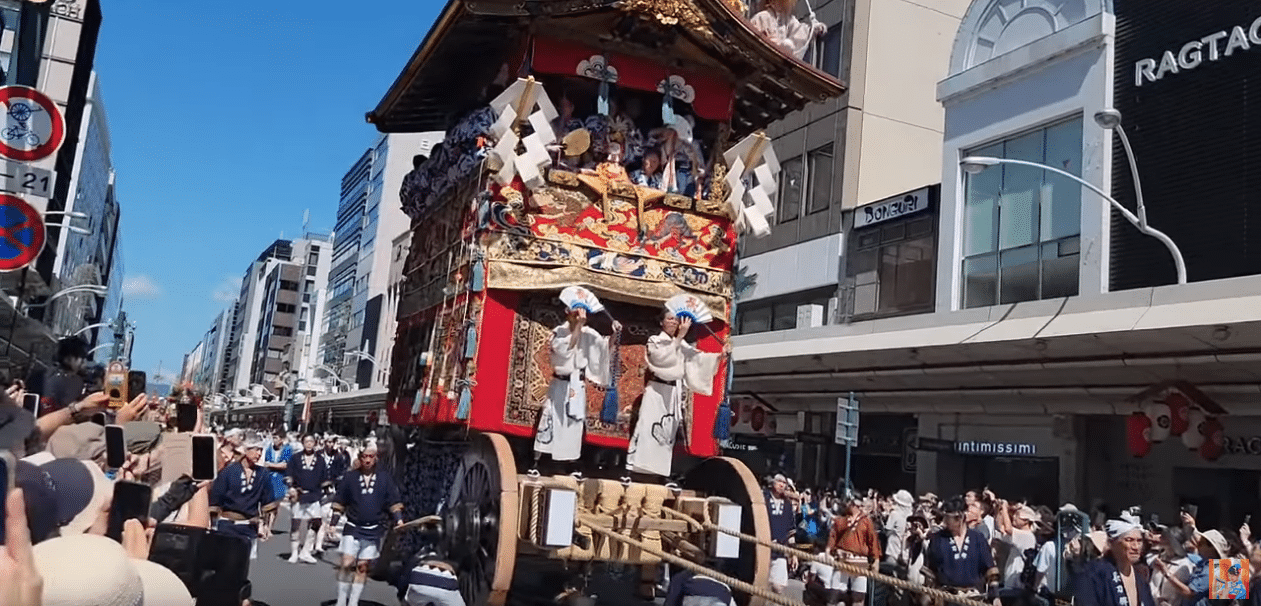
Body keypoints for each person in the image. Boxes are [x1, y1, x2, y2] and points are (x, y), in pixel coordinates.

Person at [625, 309, 728, 479]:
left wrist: (719, 355)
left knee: (666, 434)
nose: (673, 322)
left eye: (676, 319)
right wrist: (680, 337)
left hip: (672, 391)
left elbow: (697, 359)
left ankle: (660, 473)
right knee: (646, 427)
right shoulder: (655, 340)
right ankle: (632, 468)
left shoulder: (682, 345)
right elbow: (661, 359)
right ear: (662, 322)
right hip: (656, 390)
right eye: (670, 319)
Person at [532, 305, 620, 475]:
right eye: (575, 310)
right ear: (567, 312)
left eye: (581, 310)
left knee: (574, 423)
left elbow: (603, 348)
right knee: (551, 419)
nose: (578, 314)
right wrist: (579, 326)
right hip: (560, 383)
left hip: (577, 385)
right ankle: (539, 460)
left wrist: (615, 334)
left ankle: (571, 463)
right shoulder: (558, 332)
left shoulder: (589, 333)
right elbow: (565, 350)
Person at [331, 443, 404, 606]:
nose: (368, 460)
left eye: (371, 456)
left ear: (376, 458)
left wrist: (398, 519)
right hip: (353, 526)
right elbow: (340, 501)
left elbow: (393, 501)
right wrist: (332, 523)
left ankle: (354, 601)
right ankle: (341, 599)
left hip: (373, 529)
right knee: (346, 563)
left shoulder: (385, 479)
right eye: (365, 456)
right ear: (360, 457)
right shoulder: (350, 478)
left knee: (363, 567)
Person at [209, 437, 279, 561]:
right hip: (227, 526)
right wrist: (212, 524)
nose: (259, 454)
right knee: (224, 563)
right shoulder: (228, 471)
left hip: (249, 527)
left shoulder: (263, 474)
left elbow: (267, 502)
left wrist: (266, 526)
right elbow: (216, 498)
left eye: (261, 450)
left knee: (242, 566)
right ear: (246, 450)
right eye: (256, 449)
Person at [924, 496, 1000, 606]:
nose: (945, 522)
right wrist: (927, 595)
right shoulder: (937, 539)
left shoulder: (978, 539)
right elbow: (930, 570)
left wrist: (995, 596)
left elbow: (990, 569)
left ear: (960, 518)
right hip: (945, 598)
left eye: (948, 518)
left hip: (973, 598)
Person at [1073, 519, 1157, 606]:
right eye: (1129, 540)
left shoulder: (1140, 577)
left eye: (1139, 541)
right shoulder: (1093, 572)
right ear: (1111, 543)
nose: (1136, 547)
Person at [827, 494, 882, 606]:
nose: (846, 505)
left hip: (860, 562)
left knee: (858, 597)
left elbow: (873, 541)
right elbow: (833, 536)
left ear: (854, 504)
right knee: (836, 594)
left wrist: (876, 560)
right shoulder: (841, 520)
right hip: (842, 560)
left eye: (849, 503)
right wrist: (828, 551)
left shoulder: (866, 521)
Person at [286, 433, 329, 564]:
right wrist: (291, 486)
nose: (309, 444)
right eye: (306, 441)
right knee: (296, 524)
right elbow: (289, 474)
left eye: (311, 441)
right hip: (299, 494)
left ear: (315, 443)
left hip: (314, 494)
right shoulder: (295, 458)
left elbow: (325, 477)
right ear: (302, 443)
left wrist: (327, 488)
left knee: (316, 523)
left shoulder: (320, 459)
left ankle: (305, 551)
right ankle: (294, 552)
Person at [749, 0, 828, 60]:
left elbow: (800, 30)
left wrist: (814, 29)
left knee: (789, 44)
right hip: (765, 54)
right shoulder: (762, 16)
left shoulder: (788, 19)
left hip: (782, 56)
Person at [263, 433, 292, 531]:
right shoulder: (269, 449)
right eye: (273, 438)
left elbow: (285, 465)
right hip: (268, 478)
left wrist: (271, 465)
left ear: (282, 440)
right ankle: (265, 525)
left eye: (277, 438)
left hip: (280, 479)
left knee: (275, 505)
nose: (274, 440)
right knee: (266, 503)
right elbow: (265, 462)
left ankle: (270, 526)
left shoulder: (287, 450)